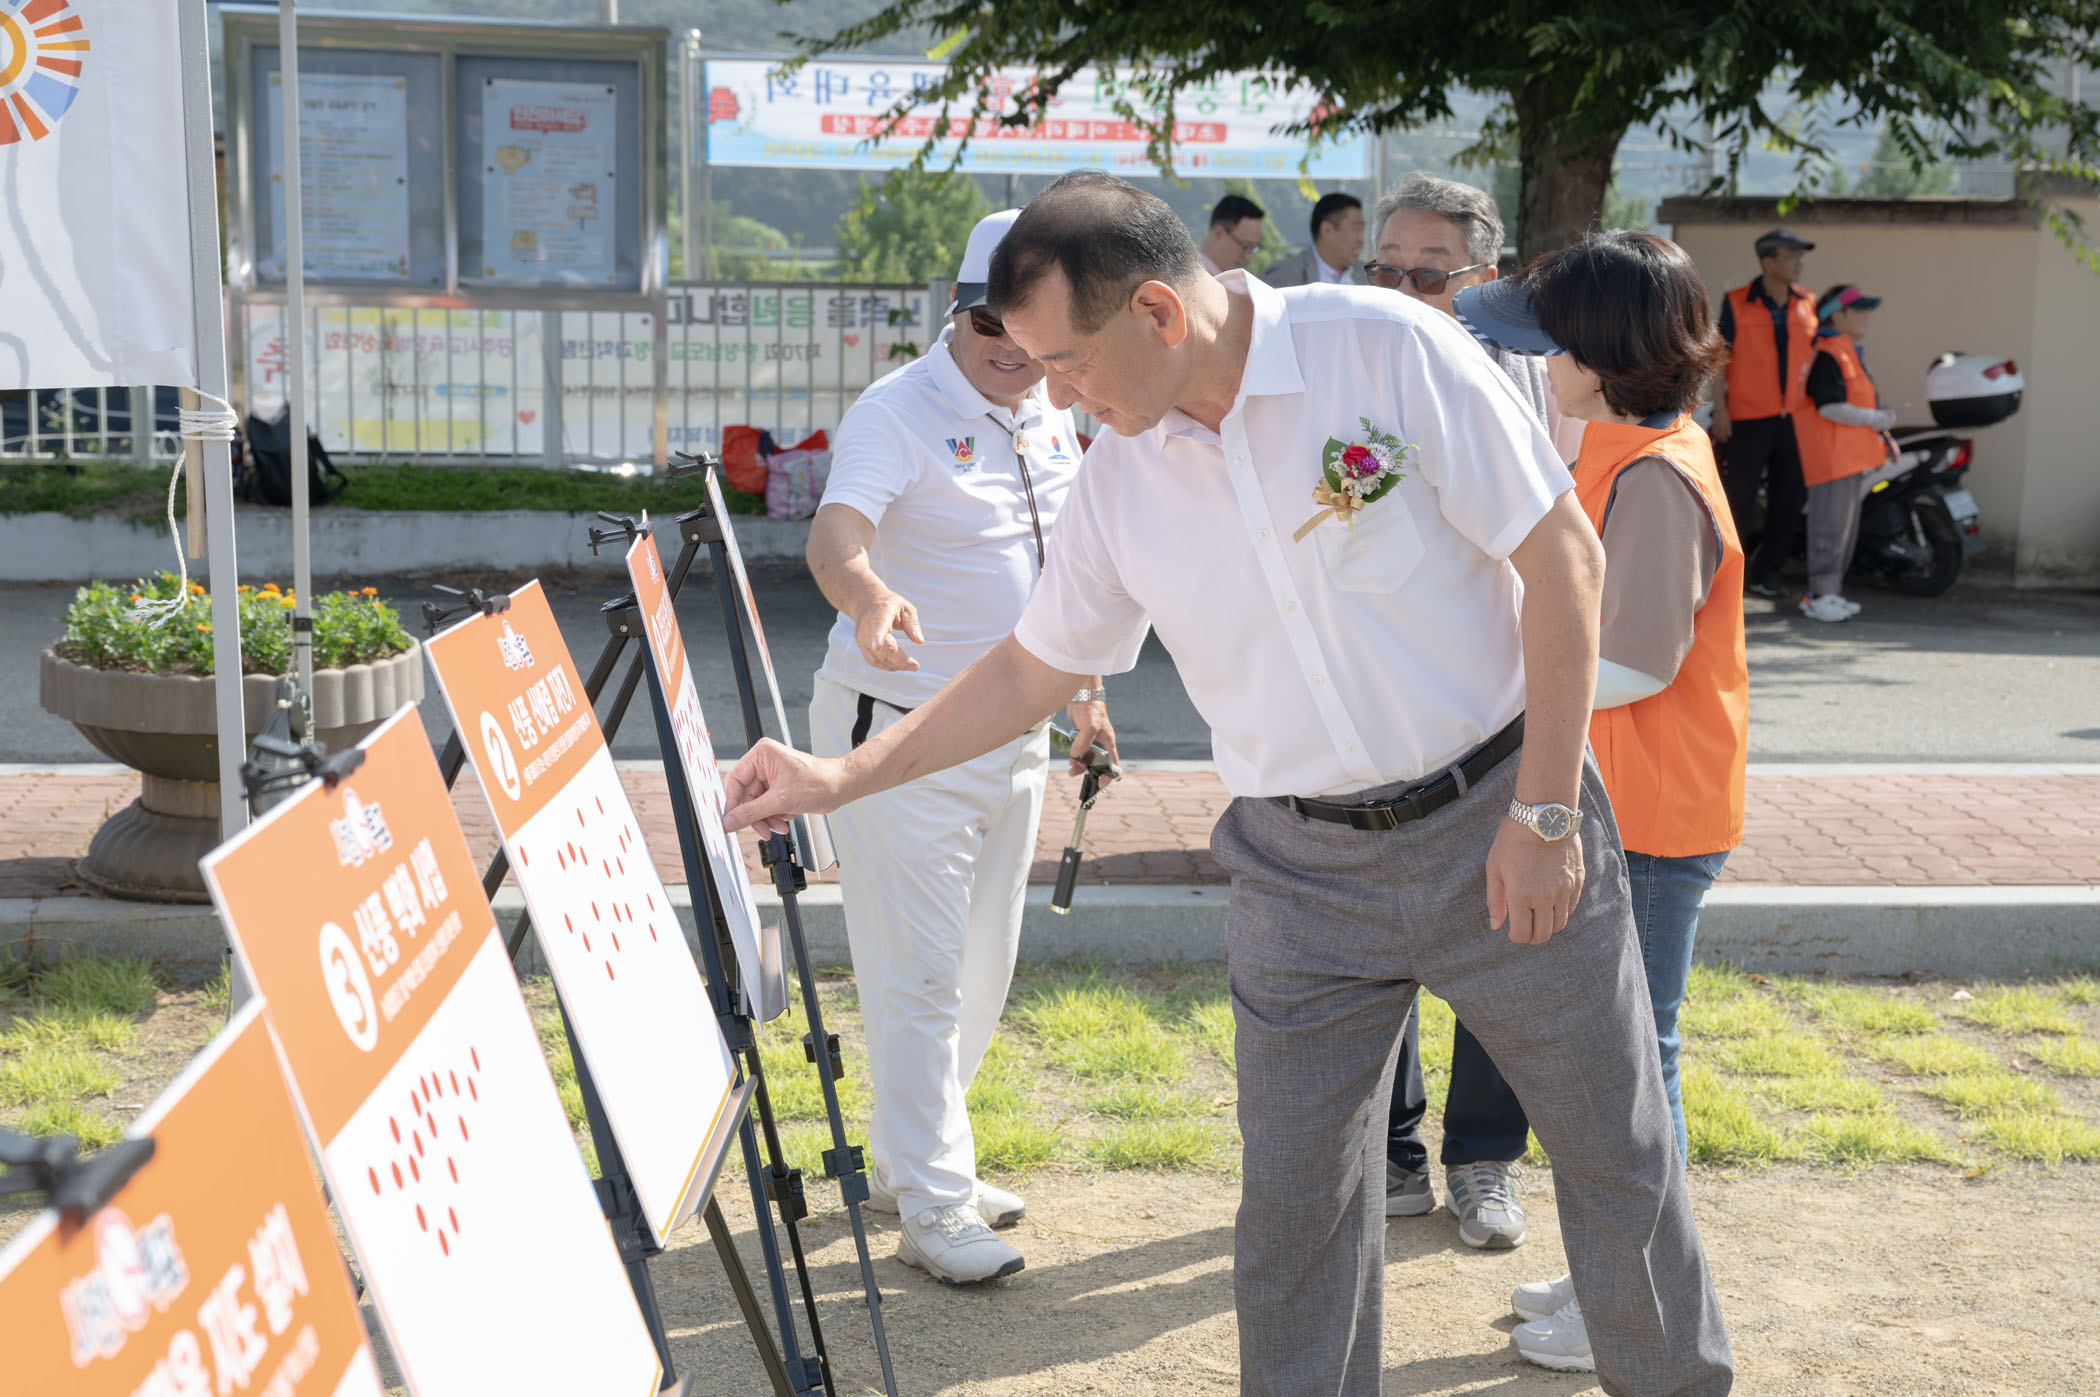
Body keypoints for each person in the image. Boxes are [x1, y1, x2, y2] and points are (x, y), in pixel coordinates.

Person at [728, 169, 1732, 1397]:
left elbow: (1561, 555)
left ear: (1157, 312)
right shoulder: (1118, 473)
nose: (1053, 394)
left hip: (1498, 812)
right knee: (1297, 1208)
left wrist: (1544, 809)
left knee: (1616, 1154)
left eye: (1064, 361)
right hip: (1299, 873)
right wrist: (845, 772)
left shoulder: (1386, 348)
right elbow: (1033, 666)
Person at [802, 207, 1119, 1284]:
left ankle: (910, 1160)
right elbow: (835, 536)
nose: (1011, 348)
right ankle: (935, 1201)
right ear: (956, 309)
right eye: (990, 321)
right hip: (897, 730)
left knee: (984, 965)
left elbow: (1067, 565)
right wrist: (869, 597)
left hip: (1014, 728)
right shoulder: (898, 408)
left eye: (1032, 329)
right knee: (923, 971)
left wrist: (1087, 695)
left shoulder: (1050, 410)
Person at [1455, 230, 1747, 1375]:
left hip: (1651, 814)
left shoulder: (1654, 472)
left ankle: (1634, 1297)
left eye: (1555, 343)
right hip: (1630, 801)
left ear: (1602, 351)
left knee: (1633, 1071)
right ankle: (1606, 1275)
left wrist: (1489, 687)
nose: (1542, 363)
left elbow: (1633, 659)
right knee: (1610, 1066)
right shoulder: (1631, 449)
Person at [1366, 171, 1575, 1247]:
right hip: (1377, 707)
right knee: (1373, 946)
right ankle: (1390, 1150)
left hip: (1500, 714)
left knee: (1507, 942)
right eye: (1386, 269)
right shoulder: (1348, 365)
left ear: (1486, 277)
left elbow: (1567, 559)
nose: (1403, 291)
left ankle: (1485, 1157)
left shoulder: (1538, 378)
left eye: (1428, 274)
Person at [1710, 227, 1818, 598]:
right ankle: (1727, 575)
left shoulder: (1807, 302)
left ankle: (1769, 572)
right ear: (1768, 262)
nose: (1799, 263)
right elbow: (1719, 357)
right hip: (1748, 417)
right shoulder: (1737, 301)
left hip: (1796, 419)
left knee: (1788, 499)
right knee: (1738, 497)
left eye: (1800, 256)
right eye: (1792, 256)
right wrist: (1721, 410)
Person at [1794, 284, 1897, 622]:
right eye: (1859, 310)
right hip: (1830, 458)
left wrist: (1881, 429)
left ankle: (1830, 592)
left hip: (1848, 458)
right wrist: (1876, 419)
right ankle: (1818, 596)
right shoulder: (1828, 353)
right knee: (1829, 528)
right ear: (1837, 316)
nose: (1866, 317)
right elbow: (1829, 406)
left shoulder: (1847, 351)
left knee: (1843, 530)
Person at [1260, 191, 1366, 287]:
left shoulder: (1368, 275)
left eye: (1362, 230)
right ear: (1327, 230)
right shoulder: (1285, 274)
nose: (1361, 240)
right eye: (1356, 229)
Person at [1200, 193, 1268, 276]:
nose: (1247, 257)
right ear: (1219, 233)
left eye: (1252, 249)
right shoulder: (1195, 277)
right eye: (1246, 247)